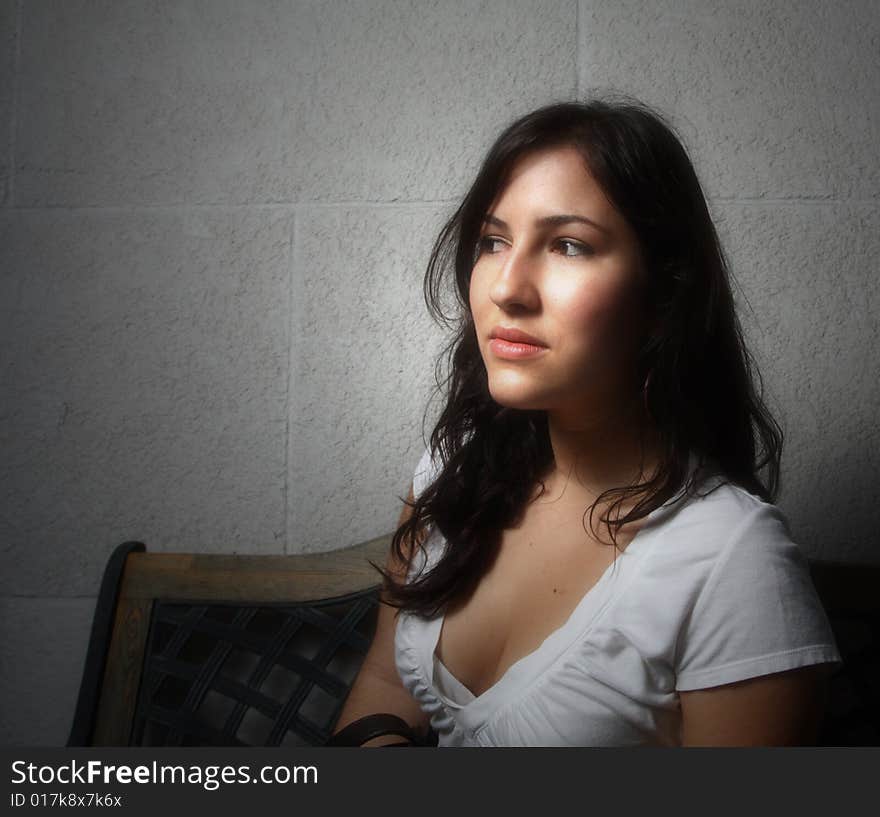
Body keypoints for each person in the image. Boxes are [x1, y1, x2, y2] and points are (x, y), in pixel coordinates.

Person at [333, 95, 842, 747]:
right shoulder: (450, 474)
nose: (505, 288)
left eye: (569, 245)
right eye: (493, 240)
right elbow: (383, 685)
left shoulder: (734, 561)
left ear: (664, 293)